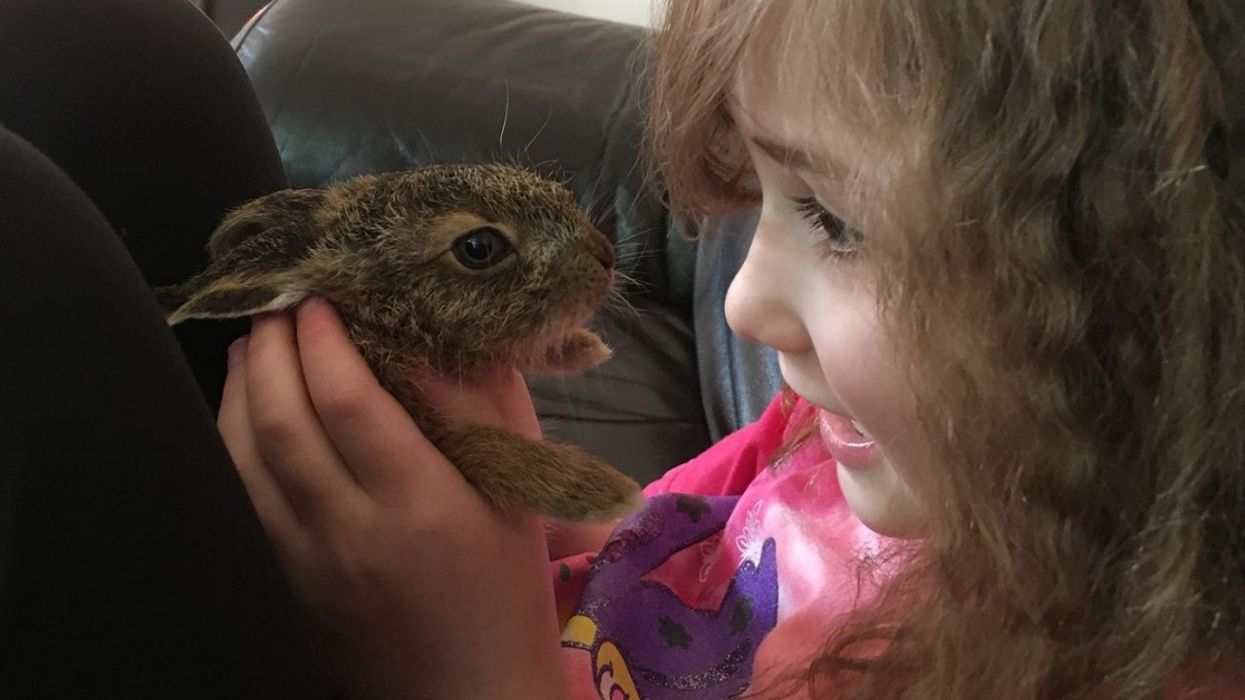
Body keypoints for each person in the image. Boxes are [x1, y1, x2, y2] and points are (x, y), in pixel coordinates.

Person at [217, 0, 1245, 698]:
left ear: (1144, 299)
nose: (745, 304)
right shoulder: (840, 445)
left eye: (840, 222)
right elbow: (663, 542)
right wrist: (492, 522)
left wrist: (473, 667)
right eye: (764, 196)